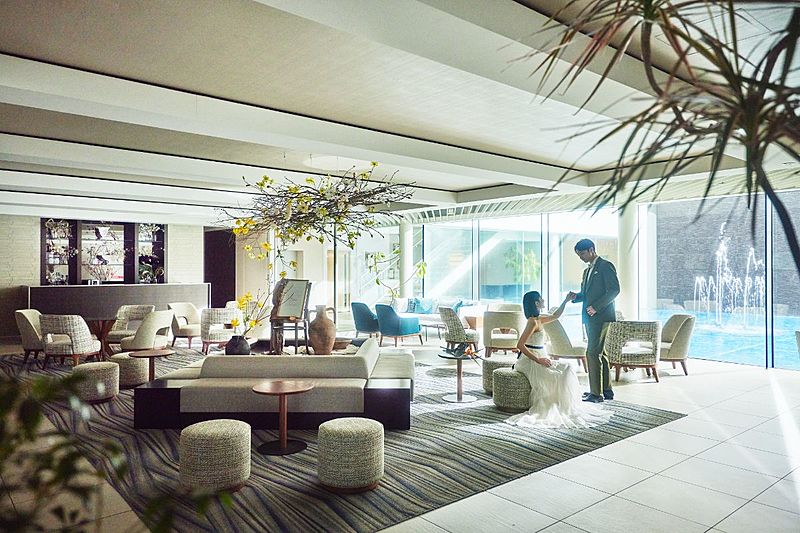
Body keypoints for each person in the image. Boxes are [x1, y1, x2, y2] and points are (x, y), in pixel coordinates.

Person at [505, 291, 612, 429]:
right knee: (558, 373)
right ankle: (556, 405)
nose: (543, 300)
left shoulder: (540, 318)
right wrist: (538, 360)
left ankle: (566, 406)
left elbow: (556, 315)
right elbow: (520, 345)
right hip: (530, 360)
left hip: (540, 356)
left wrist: (566, 300)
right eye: (541, 299)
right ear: (536, 303)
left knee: (567, 368)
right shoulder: (532, 322)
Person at [567, 238, 620, 403]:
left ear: (591, 250)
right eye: (578, 255)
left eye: (582, 254)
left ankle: (596, 394)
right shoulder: (587, 271)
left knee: (591, 353)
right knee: (600, 353)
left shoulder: (605, 266)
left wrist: (596, 307)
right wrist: (576, 297)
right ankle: (606, 390)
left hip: (601, 317)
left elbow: (614, 290)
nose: (581, 257)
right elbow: (586, 294)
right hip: (590, 317)